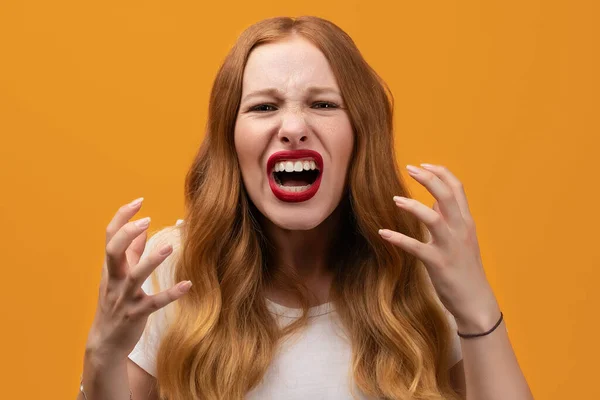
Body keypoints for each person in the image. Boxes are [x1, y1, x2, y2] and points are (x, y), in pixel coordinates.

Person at [79, 15, 534, 400]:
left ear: (359, 134)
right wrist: (103, 349)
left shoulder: (421, 270)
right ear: (230, 139)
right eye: (263, 106)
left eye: (322, 104)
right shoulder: (175, 269)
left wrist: (476, 307)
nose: (294, 127)